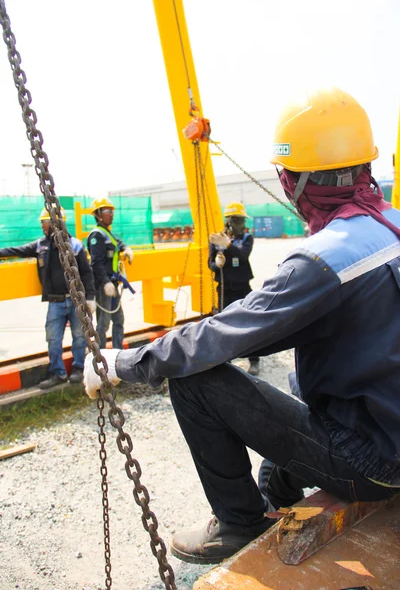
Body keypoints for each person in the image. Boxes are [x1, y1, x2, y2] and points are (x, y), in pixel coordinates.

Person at [83, 87, 400, 565]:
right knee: (274, 478)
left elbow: (215, 339)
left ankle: (238, 522)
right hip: (385, 432)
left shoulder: (323, 260)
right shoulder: (390, 227)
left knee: (194, 378)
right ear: (364, 166)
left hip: (374, 462)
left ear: (292, 181)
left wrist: (122, 363)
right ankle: (270, 501)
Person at [0, 208, 96, 389]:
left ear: (56, 223)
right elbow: (16, 250)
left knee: (79, 337)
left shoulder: (74, 246)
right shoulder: (40, 246)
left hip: (76, 301)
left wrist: (90, 297)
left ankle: (78, 370)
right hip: (55, 302)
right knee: (53, 338)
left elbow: (87, 273)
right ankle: (57, 373)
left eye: (44, 222)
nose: (42, 226)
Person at [208, 202, 260, 375]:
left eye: (242, 221)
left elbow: (243, 256)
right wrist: (216, 264)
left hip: (242, 286)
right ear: (229, 221)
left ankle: (254, 359)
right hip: (225, 288)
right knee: (224, 323)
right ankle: (226, 360)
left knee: (250, 321)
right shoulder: (217, 240)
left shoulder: (246, 238)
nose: (242, 224)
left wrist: (229, 245)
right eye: (238, 220)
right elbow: (210, 263)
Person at [87, 197, 133, 349]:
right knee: (103, 323)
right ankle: (98, 353)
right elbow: (96, 263)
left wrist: (126, 248)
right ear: (98, 214)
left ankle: (117, 352)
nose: (111, 214)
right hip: (104, 286)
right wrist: (106, 282)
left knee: (119, 320)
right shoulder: (97, 236)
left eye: (112, 211)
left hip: (113, 284)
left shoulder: (107, 234)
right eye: (107, 211)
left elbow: (117, 243)